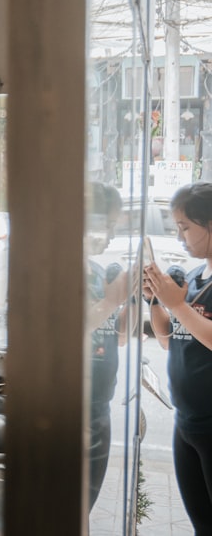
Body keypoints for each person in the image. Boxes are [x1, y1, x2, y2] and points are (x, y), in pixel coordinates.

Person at [144, 181, 212, 535]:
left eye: (185, 227)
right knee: (202, 523)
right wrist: (157, 299)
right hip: (187, 423)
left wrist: (178, 304)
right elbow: (171, 341)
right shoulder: (198, 277)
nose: (180, 236)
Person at [85, 182, 131, 511]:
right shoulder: (57, 269)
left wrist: (129, 304)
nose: (112, 235)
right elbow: (62, 334)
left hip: (99, 405)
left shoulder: (97, 271)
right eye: (109, 224)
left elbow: (118, 337)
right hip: (72, 409)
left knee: (80, 511)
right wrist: (111, 300)